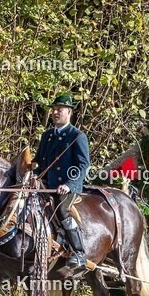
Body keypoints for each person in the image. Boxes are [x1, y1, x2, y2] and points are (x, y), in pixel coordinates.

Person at [33, 93, 91, 276]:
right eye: (54, 109)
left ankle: (79, 252)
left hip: (68, 187)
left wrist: (69, 183)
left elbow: (83, 165)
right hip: (46, 185)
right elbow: (38, 162)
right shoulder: (47, 136)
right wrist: (31, 175)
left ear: (69, 112)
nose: (55, 112)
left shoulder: (77, 136)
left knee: (61, 208)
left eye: (59, 109)